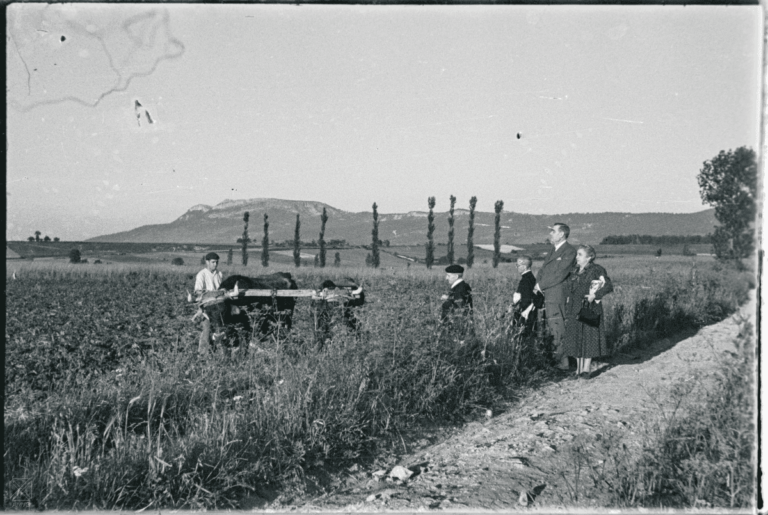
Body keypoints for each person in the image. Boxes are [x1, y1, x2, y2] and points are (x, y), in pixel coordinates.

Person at [562, 245, 614, 379]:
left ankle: (586, 369)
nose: (577, 257)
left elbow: (608, 285)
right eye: (577, 254)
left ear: (589, 257)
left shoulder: (597, 270)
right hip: (574, 307)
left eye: (580, 254)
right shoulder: (574, 270)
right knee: (576, 336)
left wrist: (595, 295)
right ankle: (578, 369)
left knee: (588, 337)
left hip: (589, 307)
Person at [535, 223, 577, 370]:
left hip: (557, 294)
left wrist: (540, 285)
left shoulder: (569, 251)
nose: (550, 234)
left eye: (553, 231)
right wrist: (537, 284)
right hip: (547, 292)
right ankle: (554, 360)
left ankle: (563, 364)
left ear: (562, 234)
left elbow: (560, 274)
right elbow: (543, 270)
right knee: (549, 327)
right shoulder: (553, 250)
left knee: (557, 327)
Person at [194, 252, 223, 354]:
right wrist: (207, 294)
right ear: (207, 262)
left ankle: (218, 350)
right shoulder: (201, 275)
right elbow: (198, 292)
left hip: (218, 307)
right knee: (207, 328)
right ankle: (202, 353)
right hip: (206, 307)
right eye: (213, 262)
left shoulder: (219, 274)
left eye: (216, 262)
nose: (215, 264)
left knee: (220, 329)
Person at [511, 255, 544, 336]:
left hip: (525, 317)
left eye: (517, 265)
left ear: (524, 267)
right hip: (529, 315)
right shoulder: (531, 278)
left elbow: (527, 300)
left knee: (524, 340)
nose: (516, 267)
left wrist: (520, 314)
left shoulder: (526, 280)